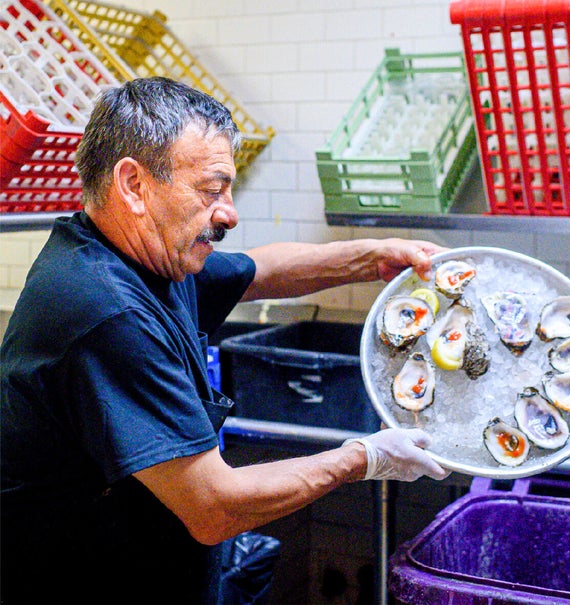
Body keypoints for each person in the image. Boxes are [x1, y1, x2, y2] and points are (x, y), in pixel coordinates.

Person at [0, 77, 450, 604]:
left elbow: (258, 270)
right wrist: (366, 458)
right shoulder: (106, 311)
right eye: (212, 190)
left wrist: (374, 256)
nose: (229, 212)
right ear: (134, 185)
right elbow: (214, 506)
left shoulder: (147, 259)